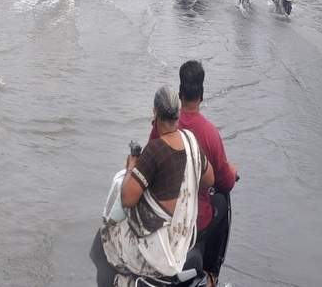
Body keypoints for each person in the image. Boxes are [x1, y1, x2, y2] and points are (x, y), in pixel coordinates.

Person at [100, 86, 217, 284]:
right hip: (183, 235)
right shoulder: (191, 141)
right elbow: (210, 180)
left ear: (155, 112)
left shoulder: (155, 150)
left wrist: (131, 166)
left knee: (107, 235)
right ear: (177, 113)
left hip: (160, 247)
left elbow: (127, 199)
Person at [149, 61, 238, 284]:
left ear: (179, 94)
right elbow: (224, 181)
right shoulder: (209, 133)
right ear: (201, 94)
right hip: (194, 221)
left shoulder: (161, 126)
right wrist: (232, 171)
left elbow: (148, 162)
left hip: (162, 216)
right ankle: (211, 274)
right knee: (221, 200)